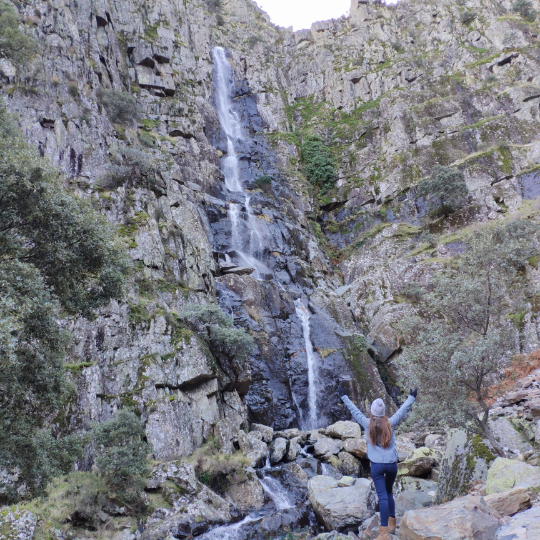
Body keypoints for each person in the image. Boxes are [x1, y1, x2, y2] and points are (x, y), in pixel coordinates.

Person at [341, 388, 417, 540]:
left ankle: (384, 534)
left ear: (372, 412)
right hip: (391, 464)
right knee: (389, 493)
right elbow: (402, 411)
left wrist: (344, 397)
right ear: (383, 413)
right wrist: (411, 397)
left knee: (382, 496)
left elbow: (355, 411)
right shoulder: (390, 423)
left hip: (376, 465)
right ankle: (392, 524)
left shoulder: (367, 423)